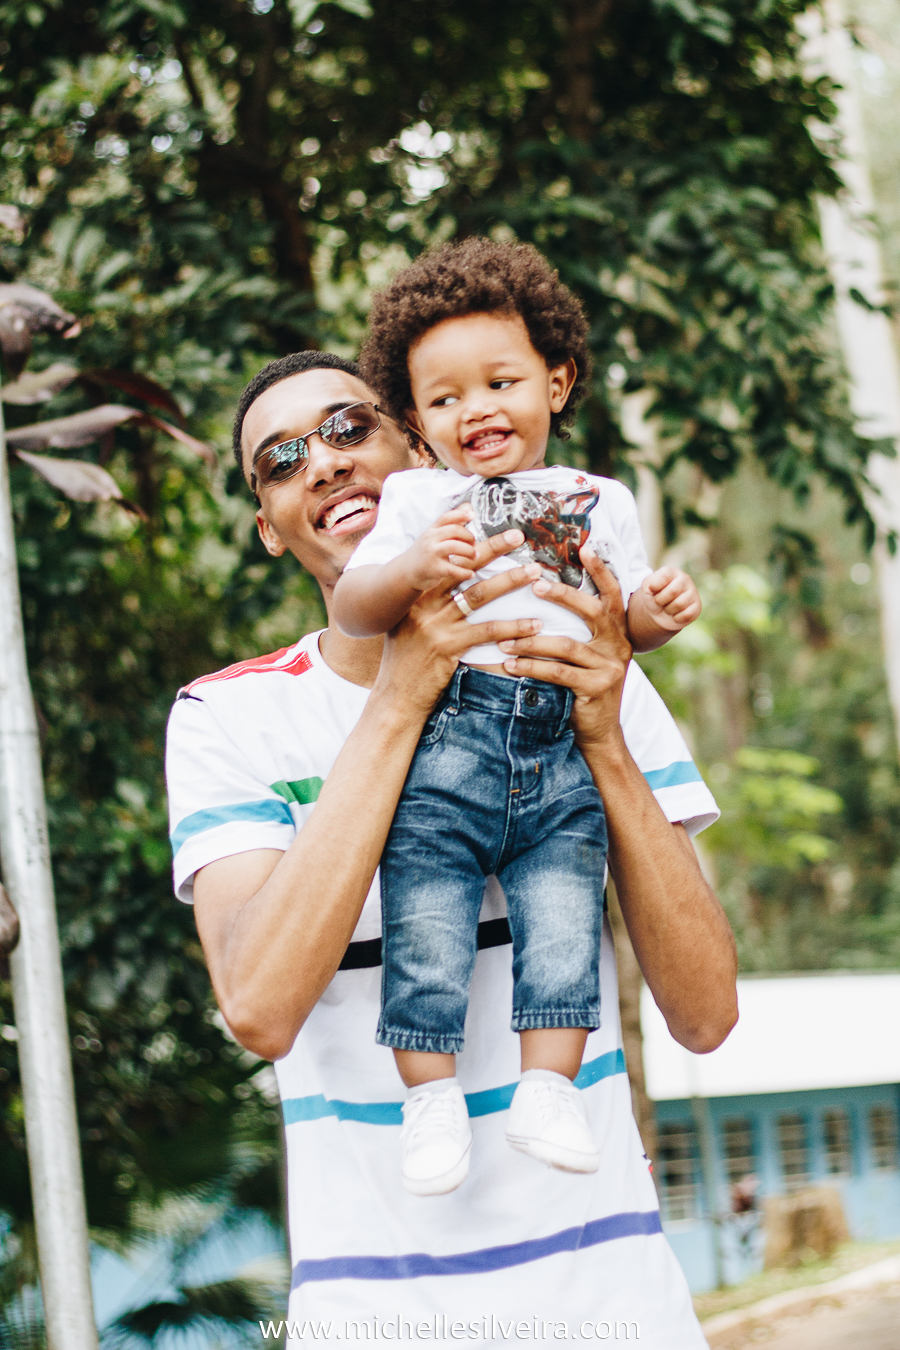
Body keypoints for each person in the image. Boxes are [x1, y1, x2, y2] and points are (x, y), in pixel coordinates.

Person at [165, 349, 737, 1347]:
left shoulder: (586, 660)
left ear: (422, 454)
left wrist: (601, 733)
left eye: (349, 428)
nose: (323, 463)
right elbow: (258, 1006)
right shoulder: (231, 718)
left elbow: (704, 1013)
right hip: (374, 1316)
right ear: (269, 526)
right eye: (282, 460)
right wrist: (404, 692)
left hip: (617, 1304)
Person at [332, 240, 702, 1195]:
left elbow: (620, 625)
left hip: (562, 745)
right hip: (449, 743)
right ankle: (430, 1100)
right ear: (417, 422)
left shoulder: (599, 500)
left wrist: (654, 617)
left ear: (557, 382)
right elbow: (355, 606)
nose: (476, 410)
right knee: (425, 919)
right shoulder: (416, 498)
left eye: (500, 383)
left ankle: (549, 1089)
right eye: (444, 399)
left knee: (565, 921)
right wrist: (410, 569)